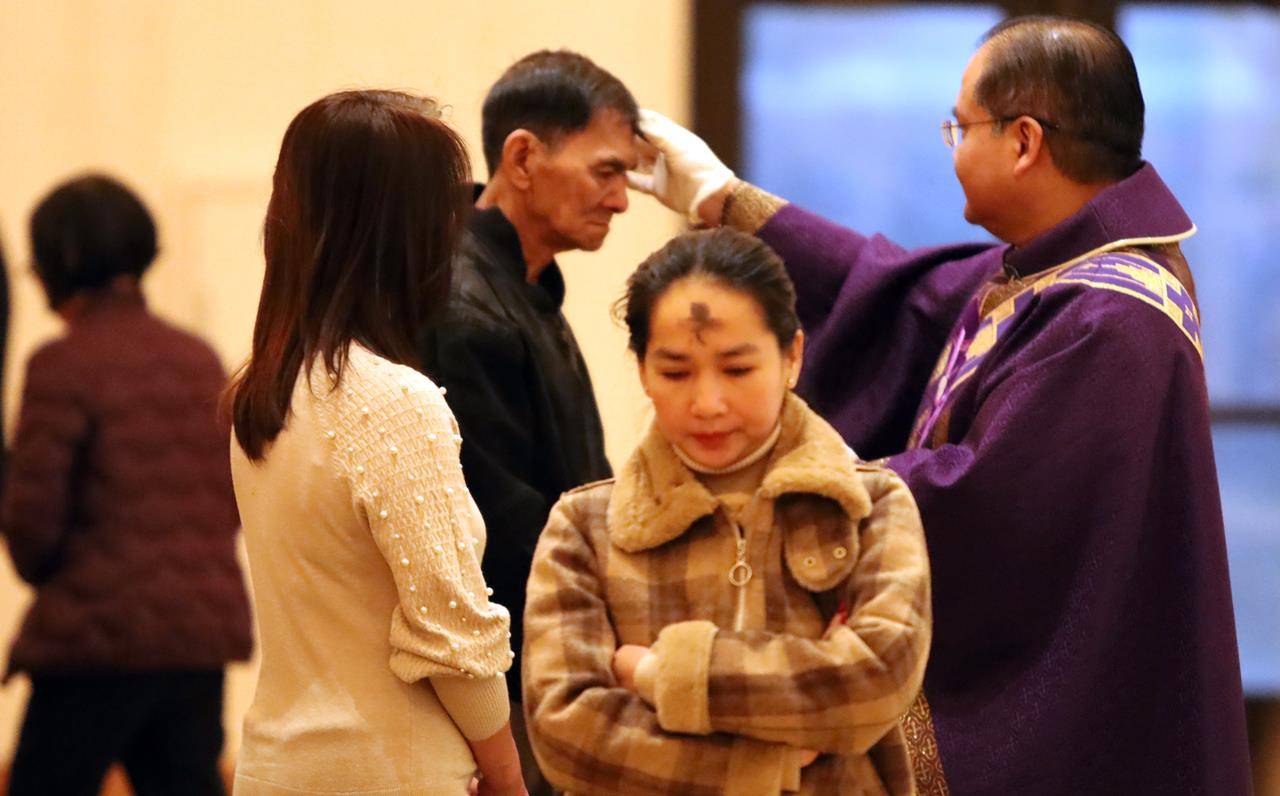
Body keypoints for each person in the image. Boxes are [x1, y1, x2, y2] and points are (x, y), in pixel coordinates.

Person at [628, 15, 1251, 795]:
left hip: (1068, 721)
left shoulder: (1113, 318)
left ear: (1023, 141)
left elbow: (989, 502)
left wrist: (784, 480)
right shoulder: (1055, 272)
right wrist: (726, 200)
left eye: (960, 125)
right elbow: (898, 297)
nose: (950, 144)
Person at [522, 228, 931, 794]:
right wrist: (767, 766)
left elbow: (875, 682)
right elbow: (568, 734)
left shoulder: (870, 506)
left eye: (737, 370)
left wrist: (661, 674)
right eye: (675, 372)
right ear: (640, 367)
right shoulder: (584, 528)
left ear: (792, 356)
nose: (707, 403)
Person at [227, 90, 525, 796]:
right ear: (402, 228)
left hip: (275, 767)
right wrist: (511, 783)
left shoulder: (266, 390)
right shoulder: (393, 402)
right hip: (389, 770)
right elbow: (454, 639)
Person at [416, 49, 638, 790]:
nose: (622, 199)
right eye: (606, 171)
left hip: (547, 665)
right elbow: (504, 530)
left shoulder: (524, 286)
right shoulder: (463, 303)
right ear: (521, 156)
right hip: (509, 680)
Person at [2, 174, 252, 794]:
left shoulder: (61, 364)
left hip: (94, 644)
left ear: (59, 265)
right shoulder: (199, 358)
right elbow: (228, 501)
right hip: (196, 639)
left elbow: (34, 536)